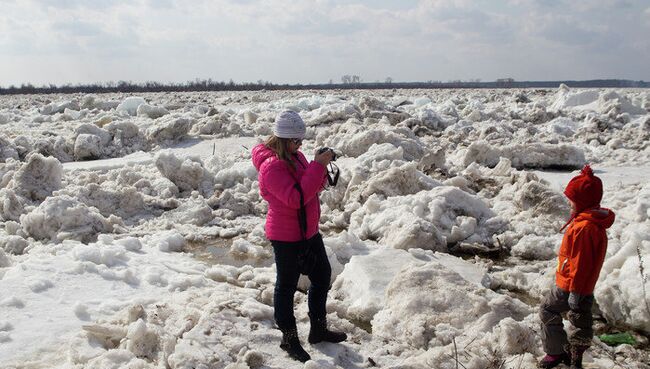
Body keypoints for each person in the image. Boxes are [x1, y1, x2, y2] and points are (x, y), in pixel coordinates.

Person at [251, 110, 347, 363]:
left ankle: (318, 330)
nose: (300, 145)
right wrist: (317, 167)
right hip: (286, 237)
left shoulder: (297, 156)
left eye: (301, 141)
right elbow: (295, 199)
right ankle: (290, 339)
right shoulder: (271, 168)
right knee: (286, 286)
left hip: (308, 232)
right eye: (296, 141)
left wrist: (320, 170)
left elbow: (309, 186)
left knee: (322, 275)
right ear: (282, 139)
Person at [538, 165, 615, 369]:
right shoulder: (590, 222)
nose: (570, 204)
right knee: (578, 318)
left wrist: (575, 292)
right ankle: (572, 355)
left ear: (582, 202)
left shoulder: (584, 228)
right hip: (578, 285)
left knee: (547, 309)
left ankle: (556, 353)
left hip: (571, 284)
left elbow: (581, 264)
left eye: (572, 201)